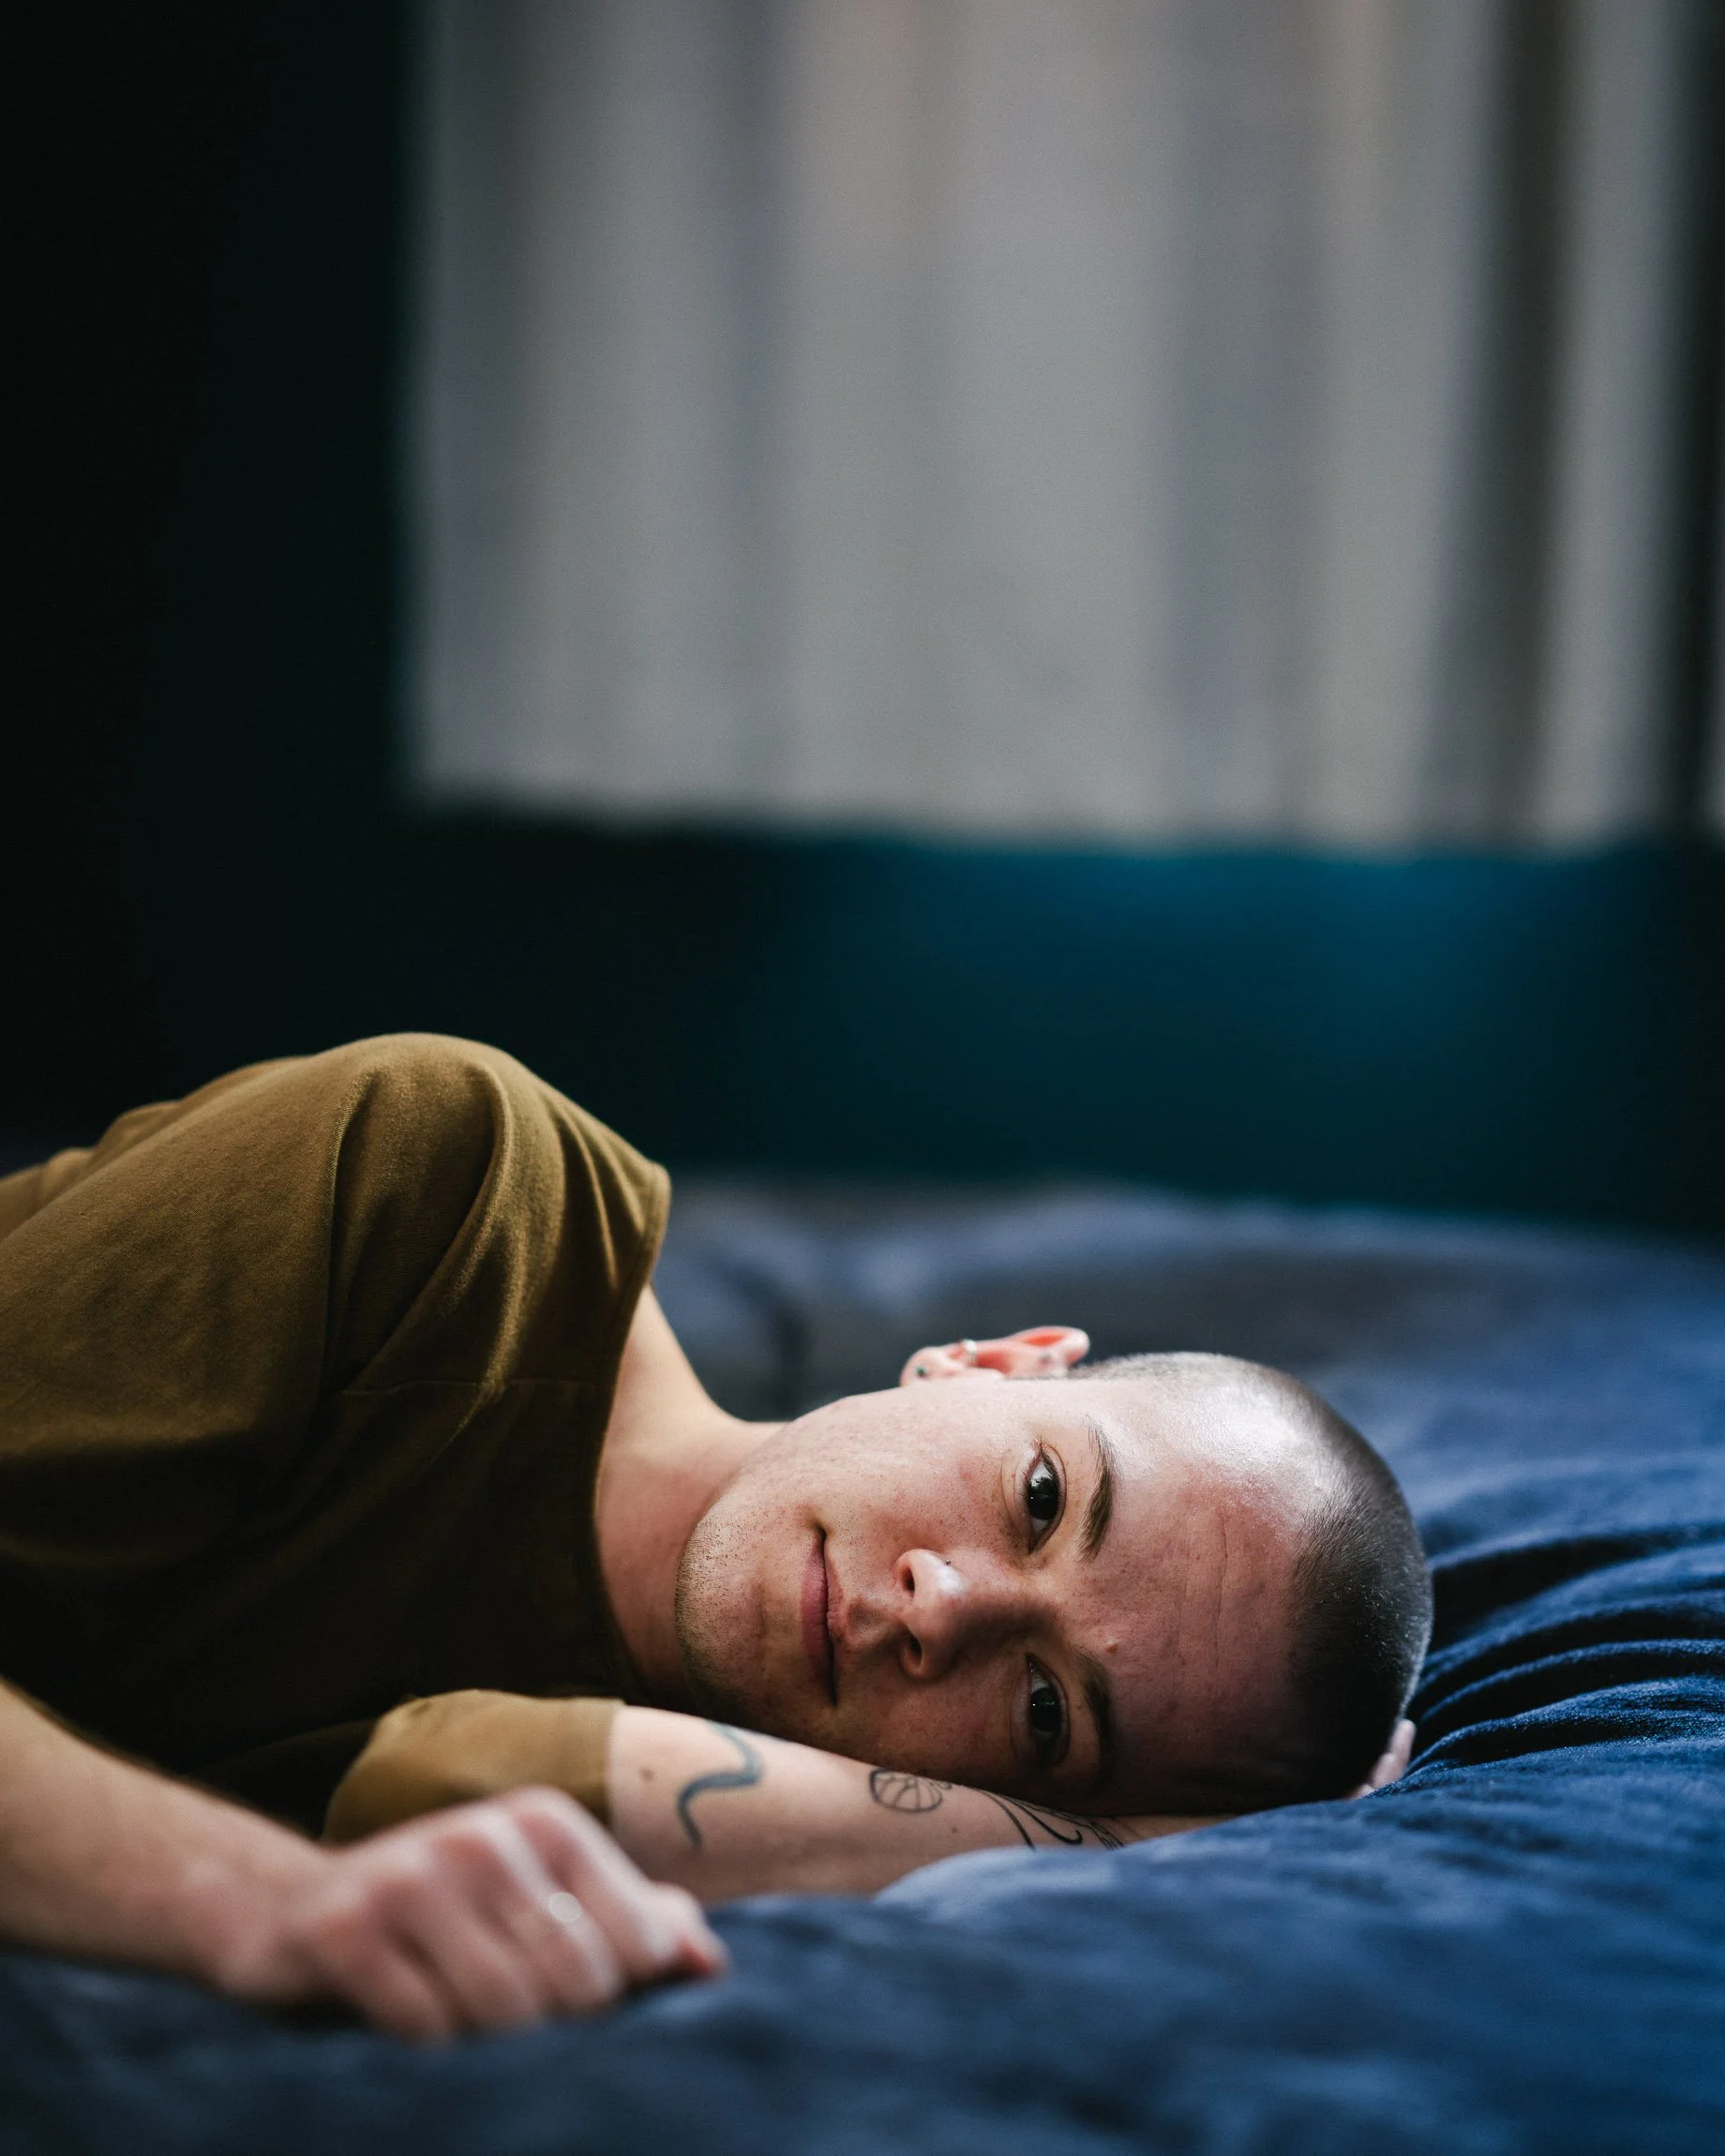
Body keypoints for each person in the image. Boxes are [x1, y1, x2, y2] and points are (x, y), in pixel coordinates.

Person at [0, 1036, 1429, 2043]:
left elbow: (455, 1781)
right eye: (1043, 1498)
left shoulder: (685, 1799)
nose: (943, 1608)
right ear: (991, 1363)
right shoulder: (450, 1193)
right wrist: (255, 1905)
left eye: (1046, 1710)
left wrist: (1114, 1847)